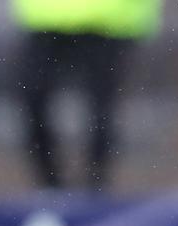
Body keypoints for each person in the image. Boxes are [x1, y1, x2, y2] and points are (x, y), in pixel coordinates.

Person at [11, 0, 162, 190]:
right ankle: (51, 186)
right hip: (46, 18)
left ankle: (94, 185)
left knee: (102, 108)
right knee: (33, 98)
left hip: (109, 21)